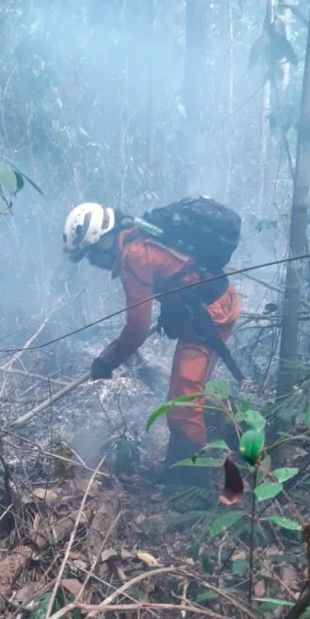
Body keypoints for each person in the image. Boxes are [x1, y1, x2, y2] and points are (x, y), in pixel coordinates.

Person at [62, 202, 242, 482]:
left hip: (212, 313)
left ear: (104, 239)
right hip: (204, 306)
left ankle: (193, 483)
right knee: (183, 394)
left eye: (91, 254)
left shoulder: (133, 255)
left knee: (183, 400)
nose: (93, 262)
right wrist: (173, 308)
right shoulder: (137, 235)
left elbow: (136, 328)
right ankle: (182, 461)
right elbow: (179, 271)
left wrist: (107, 360)